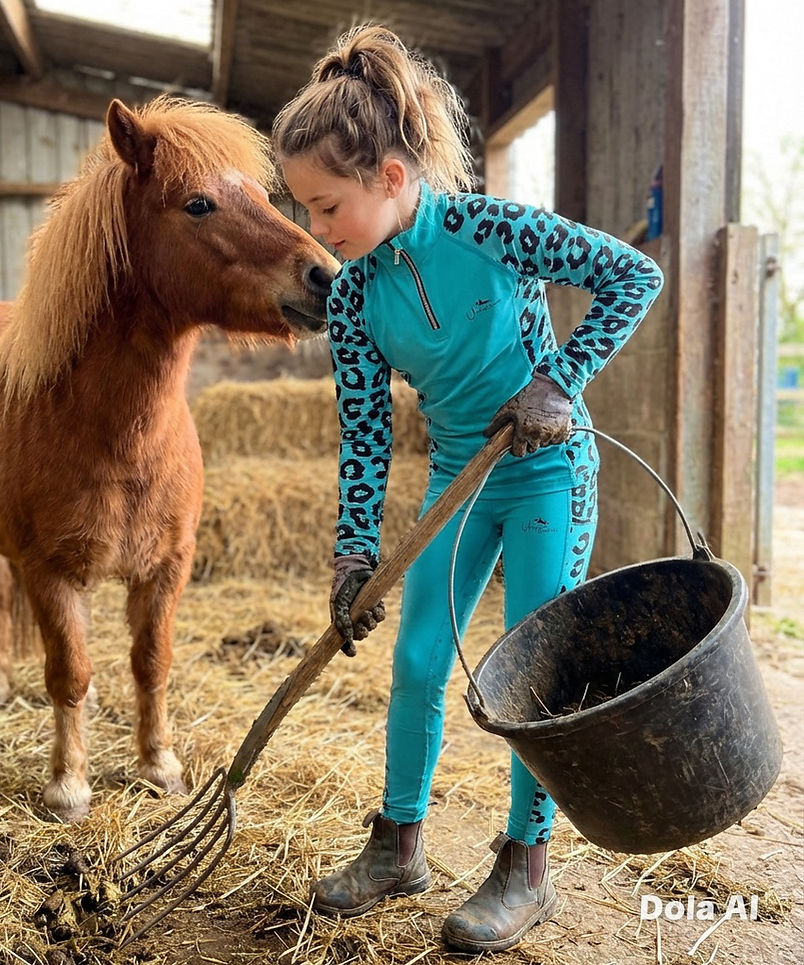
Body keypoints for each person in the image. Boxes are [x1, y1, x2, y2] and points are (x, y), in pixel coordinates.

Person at [271, 23, 664, 955]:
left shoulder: (491, 227)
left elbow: (632, 275)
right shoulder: (356, 299)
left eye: (326, 207)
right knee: (416, 661)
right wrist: (354, 549)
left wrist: (556, 380)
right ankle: (398, 843)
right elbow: (364, 431)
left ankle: (526, 862)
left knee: (534, 672)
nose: (317, 233)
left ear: (392, 179)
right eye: (304, 211)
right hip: (458, 478)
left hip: (545, 472)